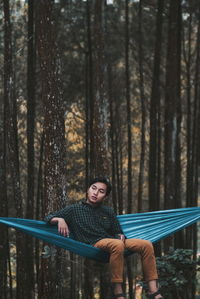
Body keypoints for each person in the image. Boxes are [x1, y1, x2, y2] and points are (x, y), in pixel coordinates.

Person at [44, 177, 164, 299]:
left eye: (101, 191)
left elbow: (117, 231)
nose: (95, 193)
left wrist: (120, 236)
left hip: (114, 242)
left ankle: (153, 291)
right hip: (93, 244)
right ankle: (118, 292)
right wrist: (60, 219)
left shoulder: (108, 211)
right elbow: (48, 217)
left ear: (105, 196)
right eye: (93, 188)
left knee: (146, 245)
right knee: (117, 245)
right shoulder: (74, 209)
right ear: (88, 190)